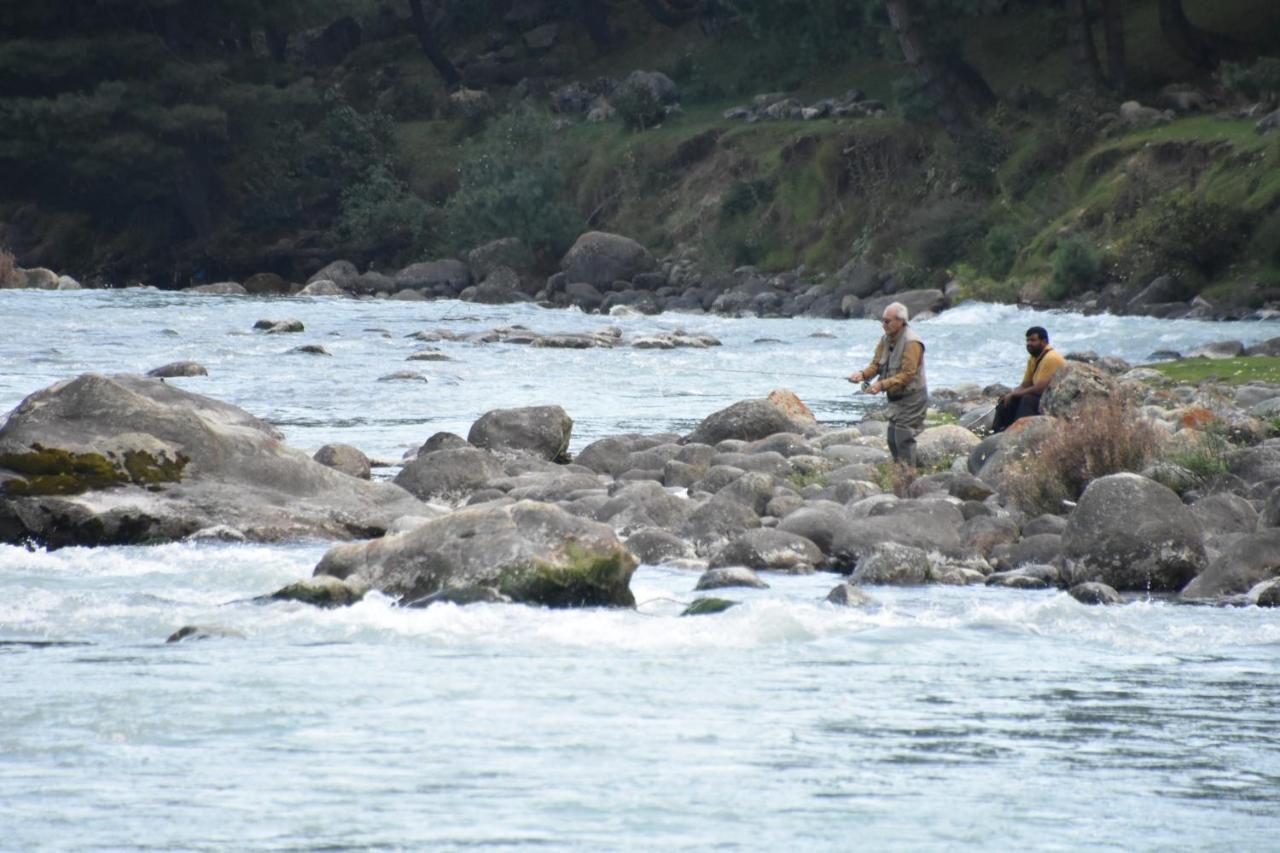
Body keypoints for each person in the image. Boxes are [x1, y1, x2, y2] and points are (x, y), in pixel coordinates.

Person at [848, 302, 928, 467]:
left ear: (901, 321)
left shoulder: (912, 342)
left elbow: (907, 374)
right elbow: (876, 364)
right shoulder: (885, 339)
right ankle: (901, 473)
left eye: (887, 321)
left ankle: (908, 478)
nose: (883, 325)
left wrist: (881, 385)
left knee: (904, 437)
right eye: (882, 321)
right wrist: (862, 375)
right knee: (892, 439)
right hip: (895, 398)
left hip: (912, 398)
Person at [992, 326, 1066, 433]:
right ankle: (998, 433)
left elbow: (1039, 389)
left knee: (1027, 399)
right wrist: (1010, 395)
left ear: (1044, 341)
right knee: (1006, 401)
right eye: (1027, 340)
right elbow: (1025, 385)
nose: (1029, 343)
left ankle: (1018, 432)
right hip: (1042, 398)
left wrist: (1015, 394)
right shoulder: (1033, 358)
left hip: (1054, 402)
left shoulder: (1051, 357)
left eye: (1033, 340)